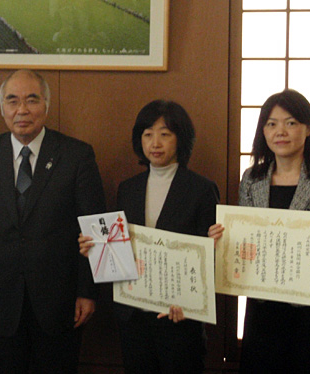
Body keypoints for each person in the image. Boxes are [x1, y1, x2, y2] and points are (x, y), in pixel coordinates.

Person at [209, 89, 310, 374]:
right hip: (264, 314)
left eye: (290, 122)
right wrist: (223, 242)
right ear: (263, 132)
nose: (280, 131)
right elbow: (246, 246)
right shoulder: (252, 179)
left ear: (308, 128)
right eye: (271, 123)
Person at [0, 69, 106, 373]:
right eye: (12, 101)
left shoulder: (76, 155)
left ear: (46, 106)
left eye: (32, 100)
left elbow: (94, 230)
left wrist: (87, 291)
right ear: (2, 108)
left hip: (61, 300)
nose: (22, 110)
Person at [80, 100, 220, 374]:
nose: (155, 142)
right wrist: (95, 249)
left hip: (179, 316)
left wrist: (189, 303)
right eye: (147, 134)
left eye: (165, 134)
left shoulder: (201, 189)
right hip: (134, 315)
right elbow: (119, 252)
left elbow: (210, 257)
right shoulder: (128, 188)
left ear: (180, 139)